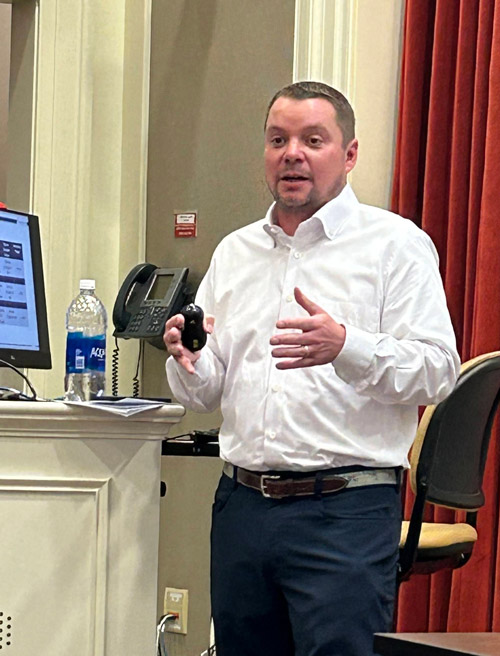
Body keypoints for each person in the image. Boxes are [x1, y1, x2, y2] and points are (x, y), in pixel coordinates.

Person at [164, 81, 460, 656]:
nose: (291, 153)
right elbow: (207, 392)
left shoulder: (395, 246)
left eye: (312, 139)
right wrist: (190, 359)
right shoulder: (235, 251)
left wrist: (346, 346)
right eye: (278, 139)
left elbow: (437, 371)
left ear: (349, 155)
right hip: (242, 508)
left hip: (343, 512)